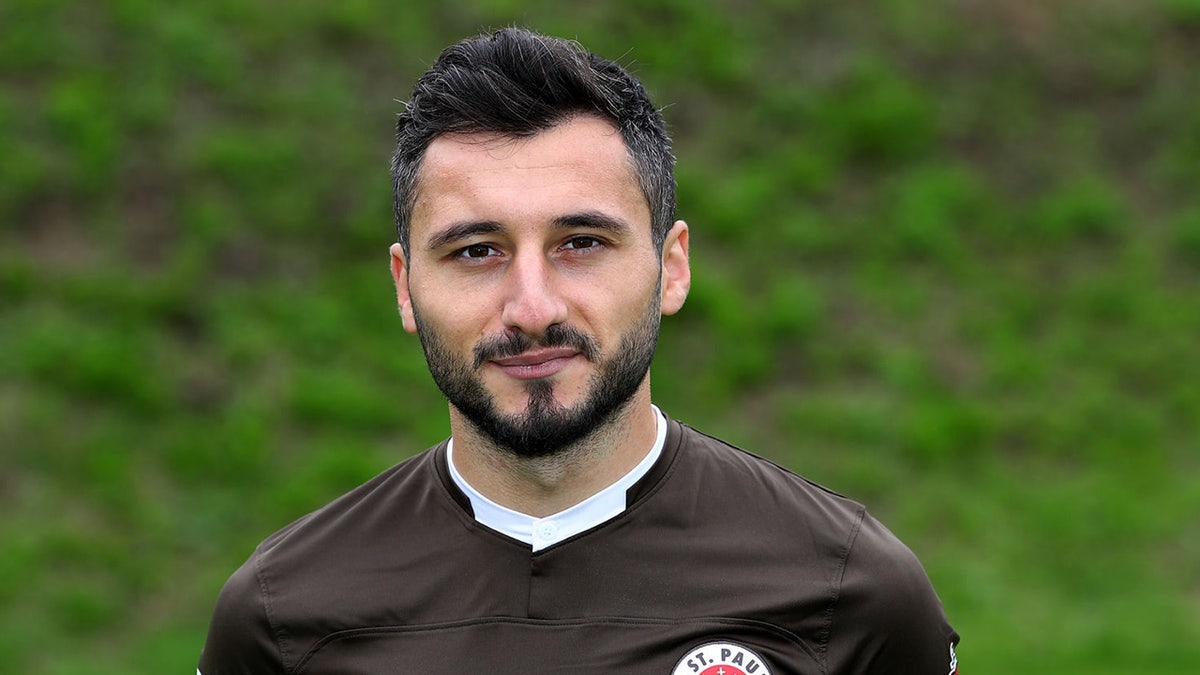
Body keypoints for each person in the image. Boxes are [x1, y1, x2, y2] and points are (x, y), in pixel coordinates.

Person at [197, 27, 959, 675]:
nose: (533, 307)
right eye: (475, 251)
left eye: (582, 243)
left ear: (673, 267)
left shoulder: (849, 593)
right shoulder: (281, 618)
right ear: (404, 285)